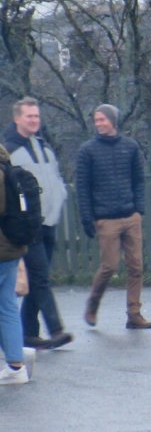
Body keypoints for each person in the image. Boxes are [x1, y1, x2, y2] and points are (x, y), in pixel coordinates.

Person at [4, 98, 73, 349]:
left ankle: (28, 332)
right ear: (17, 118)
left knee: (36, 278)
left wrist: (61, 196)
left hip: (48, 221)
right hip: (27, 225)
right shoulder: (10, 148)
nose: (34, 120)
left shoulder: (44, 147)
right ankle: (56, 329)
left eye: (36, 116)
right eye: (29, 116)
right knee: (41, 276)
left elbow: (56, 179)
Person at [77, 104, 151, 329]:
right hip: (105, 218)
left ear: (113, 120)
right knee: (109, 266)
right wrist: (87, 218)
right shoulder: (87, 151)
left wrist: (138, 209)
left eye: (103, 119)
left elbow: (139, 179)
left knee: (136, 267)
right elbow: (83, 188)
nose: (99, 123)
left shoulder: (130, 147)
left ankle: (134, 313)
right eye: (96, 120)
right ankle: (93, 304)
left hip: (130, 216)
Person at [0, 144, 31, 384]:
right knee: (8, 306)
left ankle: (15, 362)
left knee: (7, 306)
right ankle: (16, 364)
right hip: (11, 247)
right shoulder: (7, 169)